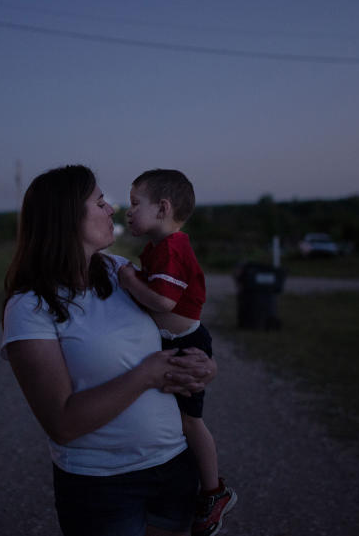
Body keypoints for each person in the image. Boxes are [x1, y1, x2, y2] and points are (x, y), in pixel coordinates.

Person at [1, 164, 218, 536]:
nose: (112, 210)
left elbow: (177, 333)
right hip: (103, 486)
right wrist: (147, 374)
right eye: (100, 202)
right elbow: (63, 424)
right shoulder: (29, 307)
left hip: (173, 467)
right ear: (66, 217)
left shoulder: (122, 272)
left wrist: (204, 367)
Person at [119, 169, 237, 536]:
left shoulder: (173, 248)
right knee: (172, 417)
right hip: (173, 341)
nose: (127, 212)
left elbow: (162, 299)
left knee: (189, 422)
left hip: (186, 344)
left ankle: (214, 491)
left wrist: (127, 279)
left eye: (135, 204)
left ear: (163, 208)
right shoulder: (158, 247)